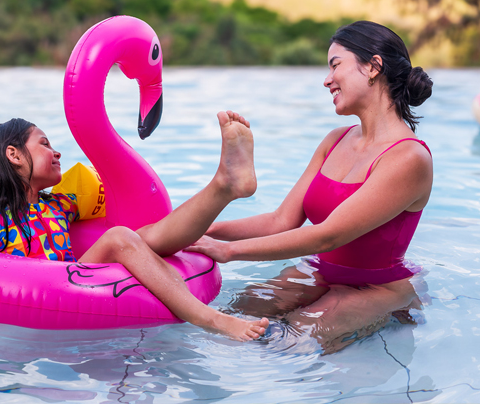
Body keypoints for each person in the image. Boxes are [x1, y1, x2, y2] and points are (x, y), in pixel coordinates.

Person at [0, 113, 269, 341]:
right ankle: (212, 320)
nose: (57, 152)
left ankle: (224, 186)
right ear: (14, 156)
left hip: (76, 282)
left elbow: (140, 228)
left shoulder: (61, 207)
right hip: (34, 302)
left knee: (142, 236)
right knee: (121, 239)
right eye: (44, 144)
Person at [186, 21, 434, 353]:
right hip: (318, 272)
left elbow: (329, 234)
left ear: (374, 67)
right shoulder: (335, 141)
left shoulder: (409, 158)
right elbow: (281, 221)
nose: (327, 79)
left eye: (336, 65)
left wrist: (228, 252)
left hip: (376, 289)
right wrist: (204, 233)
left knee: (284, 346)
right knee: (227, 319)